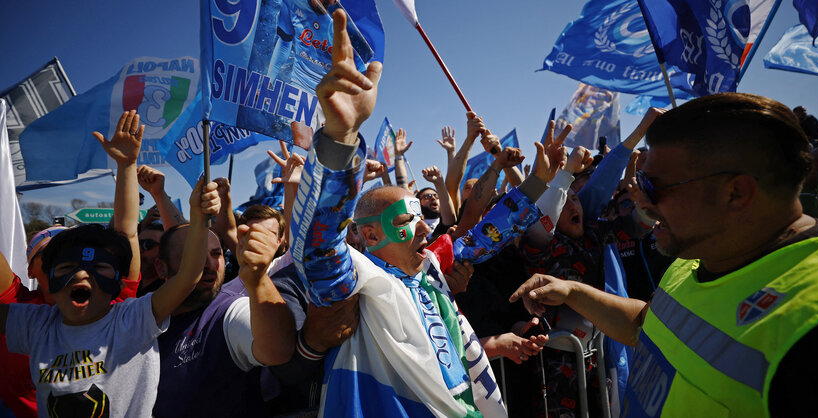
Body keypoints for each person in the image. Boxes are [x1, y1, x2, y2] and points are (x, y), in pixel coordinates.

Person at [289, 10, 566, 416]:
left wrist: (538, 183)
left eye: (419, 216)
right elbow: (316, 245)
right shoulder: (353, 286)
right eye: (404, 221)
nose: (422, 226)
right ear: (368, 237)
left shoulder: (435, 266)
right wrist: (339, 140)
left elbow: (488, 232)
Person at [511, 93, 818, 417]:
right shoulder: (690, 259)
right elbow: (645, 325)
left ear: (735, 193)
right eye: (640, 182)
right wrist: (574, 291)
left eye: (654, 186)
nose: (643, 203)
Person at [1, 109, 221, 417]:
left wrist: (197, 220)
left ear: (119, 281)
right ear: (43, 276)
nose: (81, 274)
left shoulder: (131, 319)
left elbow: (182, 273)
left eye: (98, 268)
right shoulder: (37, 325)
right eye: (66, 268)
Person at [152, 215, 296, 417]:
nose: (210, 264)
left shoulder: (228, 310)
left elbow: (277, 350)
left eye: (216, 253)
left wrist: (258, 280)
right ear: (161, 268)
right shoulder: (143, 317)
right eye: (193, 255)